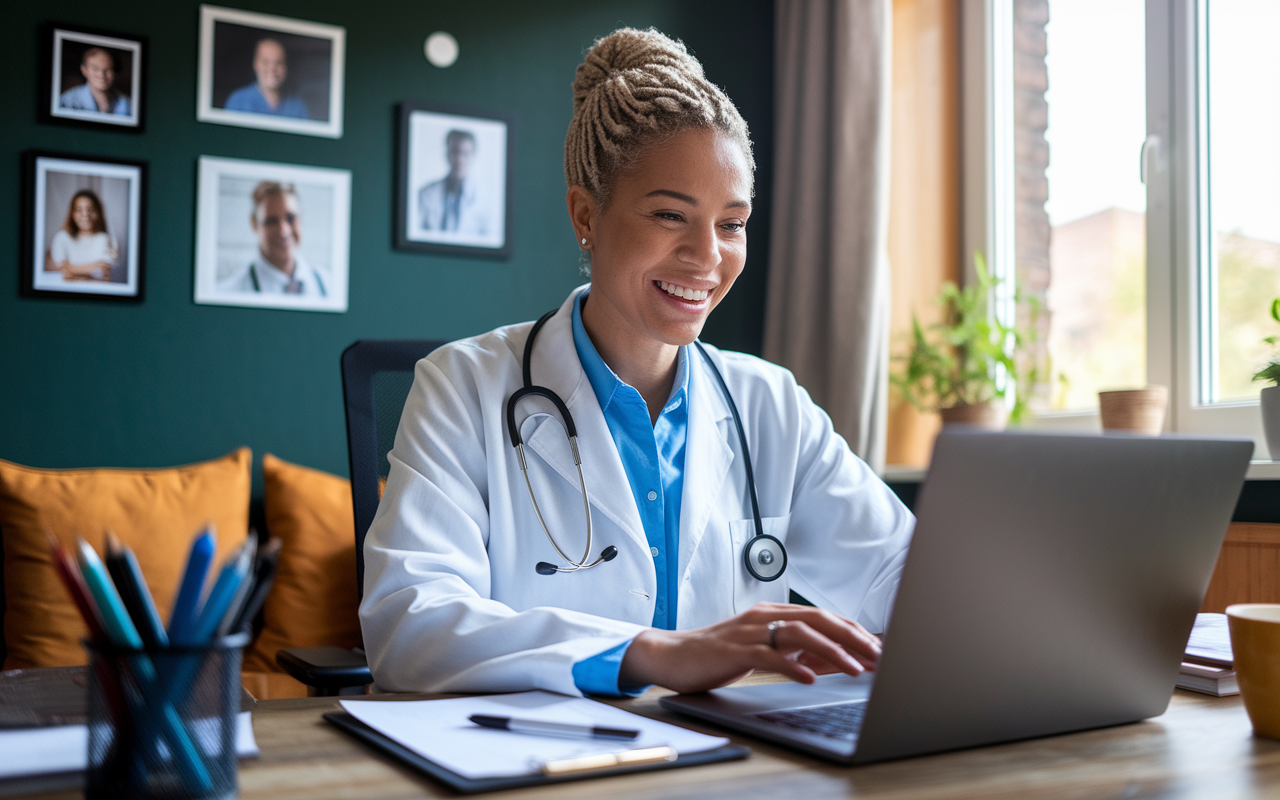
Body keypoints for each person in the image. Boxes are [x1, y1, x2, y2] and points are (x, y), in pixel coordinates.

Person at [361, 28, 914, 698]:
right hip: (538, 764)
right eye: (669, 216)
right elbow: (409, 625)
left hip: (729, 764)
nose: (707, 256)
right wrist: (651, 654)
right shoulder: (463, 386)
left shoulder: (771, 404)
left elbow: (904, 581)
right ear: (585, 215)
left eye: (731, 224)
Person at [219, 182, 327, 297]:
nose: (283, 231)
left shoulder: (328, 285)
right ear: (254, 224)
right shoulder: (228, 292)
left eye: (291, 218)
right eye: (271, 221)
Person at [417, 129, 490, 236]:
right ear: (447, 153)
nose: (460, 160)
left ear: (473, 156)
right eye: (455, 152)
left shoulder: (486, 201)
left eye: (466, 154)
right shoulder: (425, 195)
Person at [224, 38, 310, 119]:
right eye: (266, 62)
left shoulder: (297, 107)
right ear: (256, 64)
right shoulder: (238, 101)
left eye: (278, 62)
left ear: (286, 67)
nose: (272, 69)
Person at [45, 189, 118, 281]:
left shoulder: (103, 239)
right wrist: (92, 269)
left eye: (90, 209)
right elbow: (57, 270)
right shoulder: (62, 237)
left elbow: (104, 273)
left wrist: (69, 269)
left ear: (98, 213)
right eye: (79, 210)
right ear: (73, 214)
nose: (85, 215)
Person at [59, 47, 131, 116]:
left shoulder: (128, 104)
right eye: (95, 69)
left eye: (107, 69)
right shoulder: (66, 102)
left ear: (114, 72)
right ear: (84, 70)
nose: (101, 75)